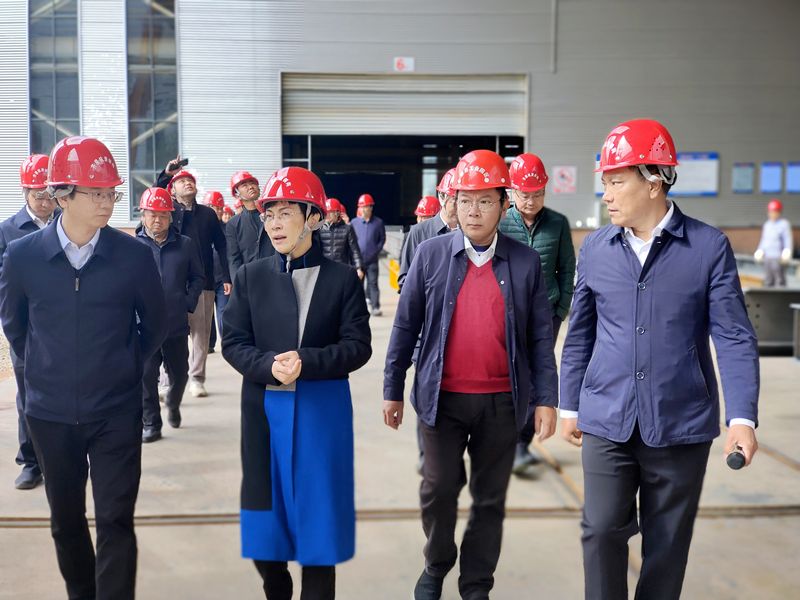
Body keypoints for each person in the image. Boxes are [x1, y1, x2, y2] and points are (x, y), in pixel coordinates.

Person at [560, 119, 760, 600]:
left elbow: (733, 336)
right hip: (606, 416)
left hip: (680, 420)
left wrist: (742, 417)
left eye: (615, 182)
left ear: (653, 182)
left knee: (667, 546)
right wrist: (569, 404)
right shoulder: (596, 249)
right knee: (601, 529)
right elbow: (580, 333)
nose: (606, 194)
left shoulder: (708, 248)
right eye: (605, 183)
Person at [383, 150, 558, 600]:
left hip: (502, 403)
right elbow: (405, 325)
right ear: (453, 203)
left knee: (489, 499)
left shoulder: (525, 262)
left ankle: (477, 583)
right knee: (438, 488)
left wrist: (546, 397)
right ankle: (437, 561)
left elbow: (541, 336)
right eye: (464, 201)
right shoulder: (430, 255)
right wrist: (393, 388)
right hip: (442, 400)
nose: (473, 211)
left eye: (484, 201)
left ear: (504, 204)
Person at [0, 136, 168, 600]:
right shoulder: (23, 257)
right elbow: (15, 328)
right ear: (62, 196)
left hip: (116, 410)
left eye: (111, 192)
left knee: (115, 519)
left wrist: (123, 367)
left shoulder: (133, 256)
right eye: (96, 193)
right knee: (66, 521)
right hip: (49, 414)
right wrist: (45, 369)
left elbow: (155, 325)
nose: (107, 202)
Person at [222, 166, 371, 600]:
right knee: (265, 521)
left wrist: (307, 361)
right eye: (269, 214)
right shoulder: (251, 277)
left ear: (313, 218)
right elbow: (233, 342)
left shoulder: (341, 280)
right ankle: (276, 583)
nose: (274, 224)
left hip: (321, 411)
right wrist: (266, 365)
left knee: (319, 521)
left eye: (286, 213)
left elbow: (358, 346)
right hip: (263, 411)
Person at [498, 153, 576, 473]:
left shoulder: (558, 223)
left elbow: (567, 270)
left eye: (537, 194)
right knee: (505, 375)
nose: (531, 201)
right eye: (524, 194)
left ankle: (521, 444)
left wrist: (560, 309)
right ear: (512, 192)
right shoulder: (501, 221)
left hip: (546, 315)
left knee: (535, 377)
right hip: (506, 314)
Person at [0, 154, 60, 490]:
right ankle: (31, 462)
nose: (45, 201)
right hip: (27, 328)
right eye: (38, 194)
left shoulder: (67, 224)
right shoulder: (8, 230)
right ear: (25, 192)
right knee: (29, 396)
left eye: (50, 194)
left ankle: (62, 458)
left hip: (63, 324)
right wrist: (17, 334)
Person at [136, 187, 204, 442]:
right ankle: (151, 423)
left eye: (163, 214)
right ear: (143, 216)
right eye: (152, 214)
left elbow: (197, 277)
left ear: (170, 216)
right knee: (146, 376)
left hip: (175, 323)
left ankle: (173, 403)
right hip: (144, 325)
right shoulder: (133, 246)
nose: (157, 219)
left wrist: (187, 302)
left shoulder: (184, 244)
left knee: (180, 372)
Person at [163, 168, 231, 397]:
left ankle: (196, 379)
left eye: (190, 180)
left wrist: (227, 277)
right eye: (181, 181)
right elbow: (153, 196)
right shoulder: (168, 211)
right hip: (173, 283)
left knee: (200, 334)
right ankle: (166, 381)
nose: (187, 183)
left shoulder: (207, 214)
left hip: (203, 281)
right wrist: (166, 175)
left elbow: (222, 246)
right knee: (169, 334)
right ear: (172, 189)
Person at [398, 168, 459, 291]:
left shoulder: (472, 234)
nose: (460, 207)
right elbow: (405, 279)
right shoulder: (418, 232)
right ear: (442, 198)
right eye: (455, 200)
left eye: (466, 201)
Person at [226, 170, 275, 276]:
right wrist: (238, 281)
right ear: (238, 195)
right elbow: (233, 258)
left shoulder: (273, 215)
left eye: (252, 183)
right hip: (250, 278)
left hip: (275, 274)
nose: (251, 187)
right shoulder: (233, 224)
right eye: (244, 185)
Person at [351, 194, 385, 316]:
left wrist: (376, 251)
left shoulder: (378, 223)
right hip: (358, 261)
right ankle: (358, 309)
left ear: (371, 207)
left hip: (372, 260)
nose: (363, 209)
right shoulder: (354, 223)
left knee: (373, 283)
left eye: (365, 207)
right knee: (358, 286)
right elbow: (351, 241)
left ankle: (375, 307)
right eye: (361, 207)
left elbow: (382, 238)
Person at [203, 191, 228, 353]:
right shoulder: (200, 227)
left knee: (224, 313)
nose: (217, 211)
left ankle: (228, 344)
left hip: (223, 279)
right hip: (205, 278)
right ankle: (209, 344)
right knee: (206, 315)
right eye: (213, 207)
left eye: (219, 208)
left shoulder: (227, 229)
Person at [318, 197, 364, 278]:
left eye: (330, 212)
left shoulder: (347, 229)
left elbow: (355, 250)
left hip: (342, 269)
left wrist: (359, 268)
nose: (327, 214)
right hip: (325, 269)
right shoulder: (320, 229)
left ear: (338, 213)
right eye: (326, 212)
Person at [755, 199, 793, 287]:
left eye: (775, 212)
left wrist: (787, 251)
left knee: (780, 280)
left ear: (779, 212)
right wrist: (760, 250)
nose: (773, 214)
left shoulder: (784, 224)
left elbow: (787, 239)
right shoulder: (767, 225)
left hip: (778, 257)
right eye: (771, 212)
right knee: (768, 280)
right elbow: (764, 240)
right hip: (767, 257)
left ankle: (782, 295)